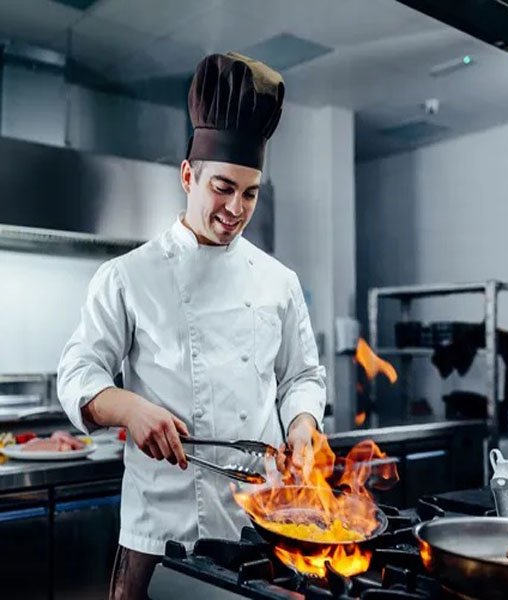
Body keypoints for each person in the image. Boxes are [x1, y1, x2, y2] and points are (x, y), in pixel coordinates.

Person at [57, 51, 326, 600]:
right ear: (188, 176)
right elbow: (78, 373)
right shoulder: (128, 276)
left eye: (250, 193)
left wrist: (302, 425)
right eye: (222, 187)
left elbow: (302, 376)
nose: (236, 208)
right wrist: (130, 409)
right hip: (159, 534)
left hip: (262, 527)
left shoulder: (278, 281)